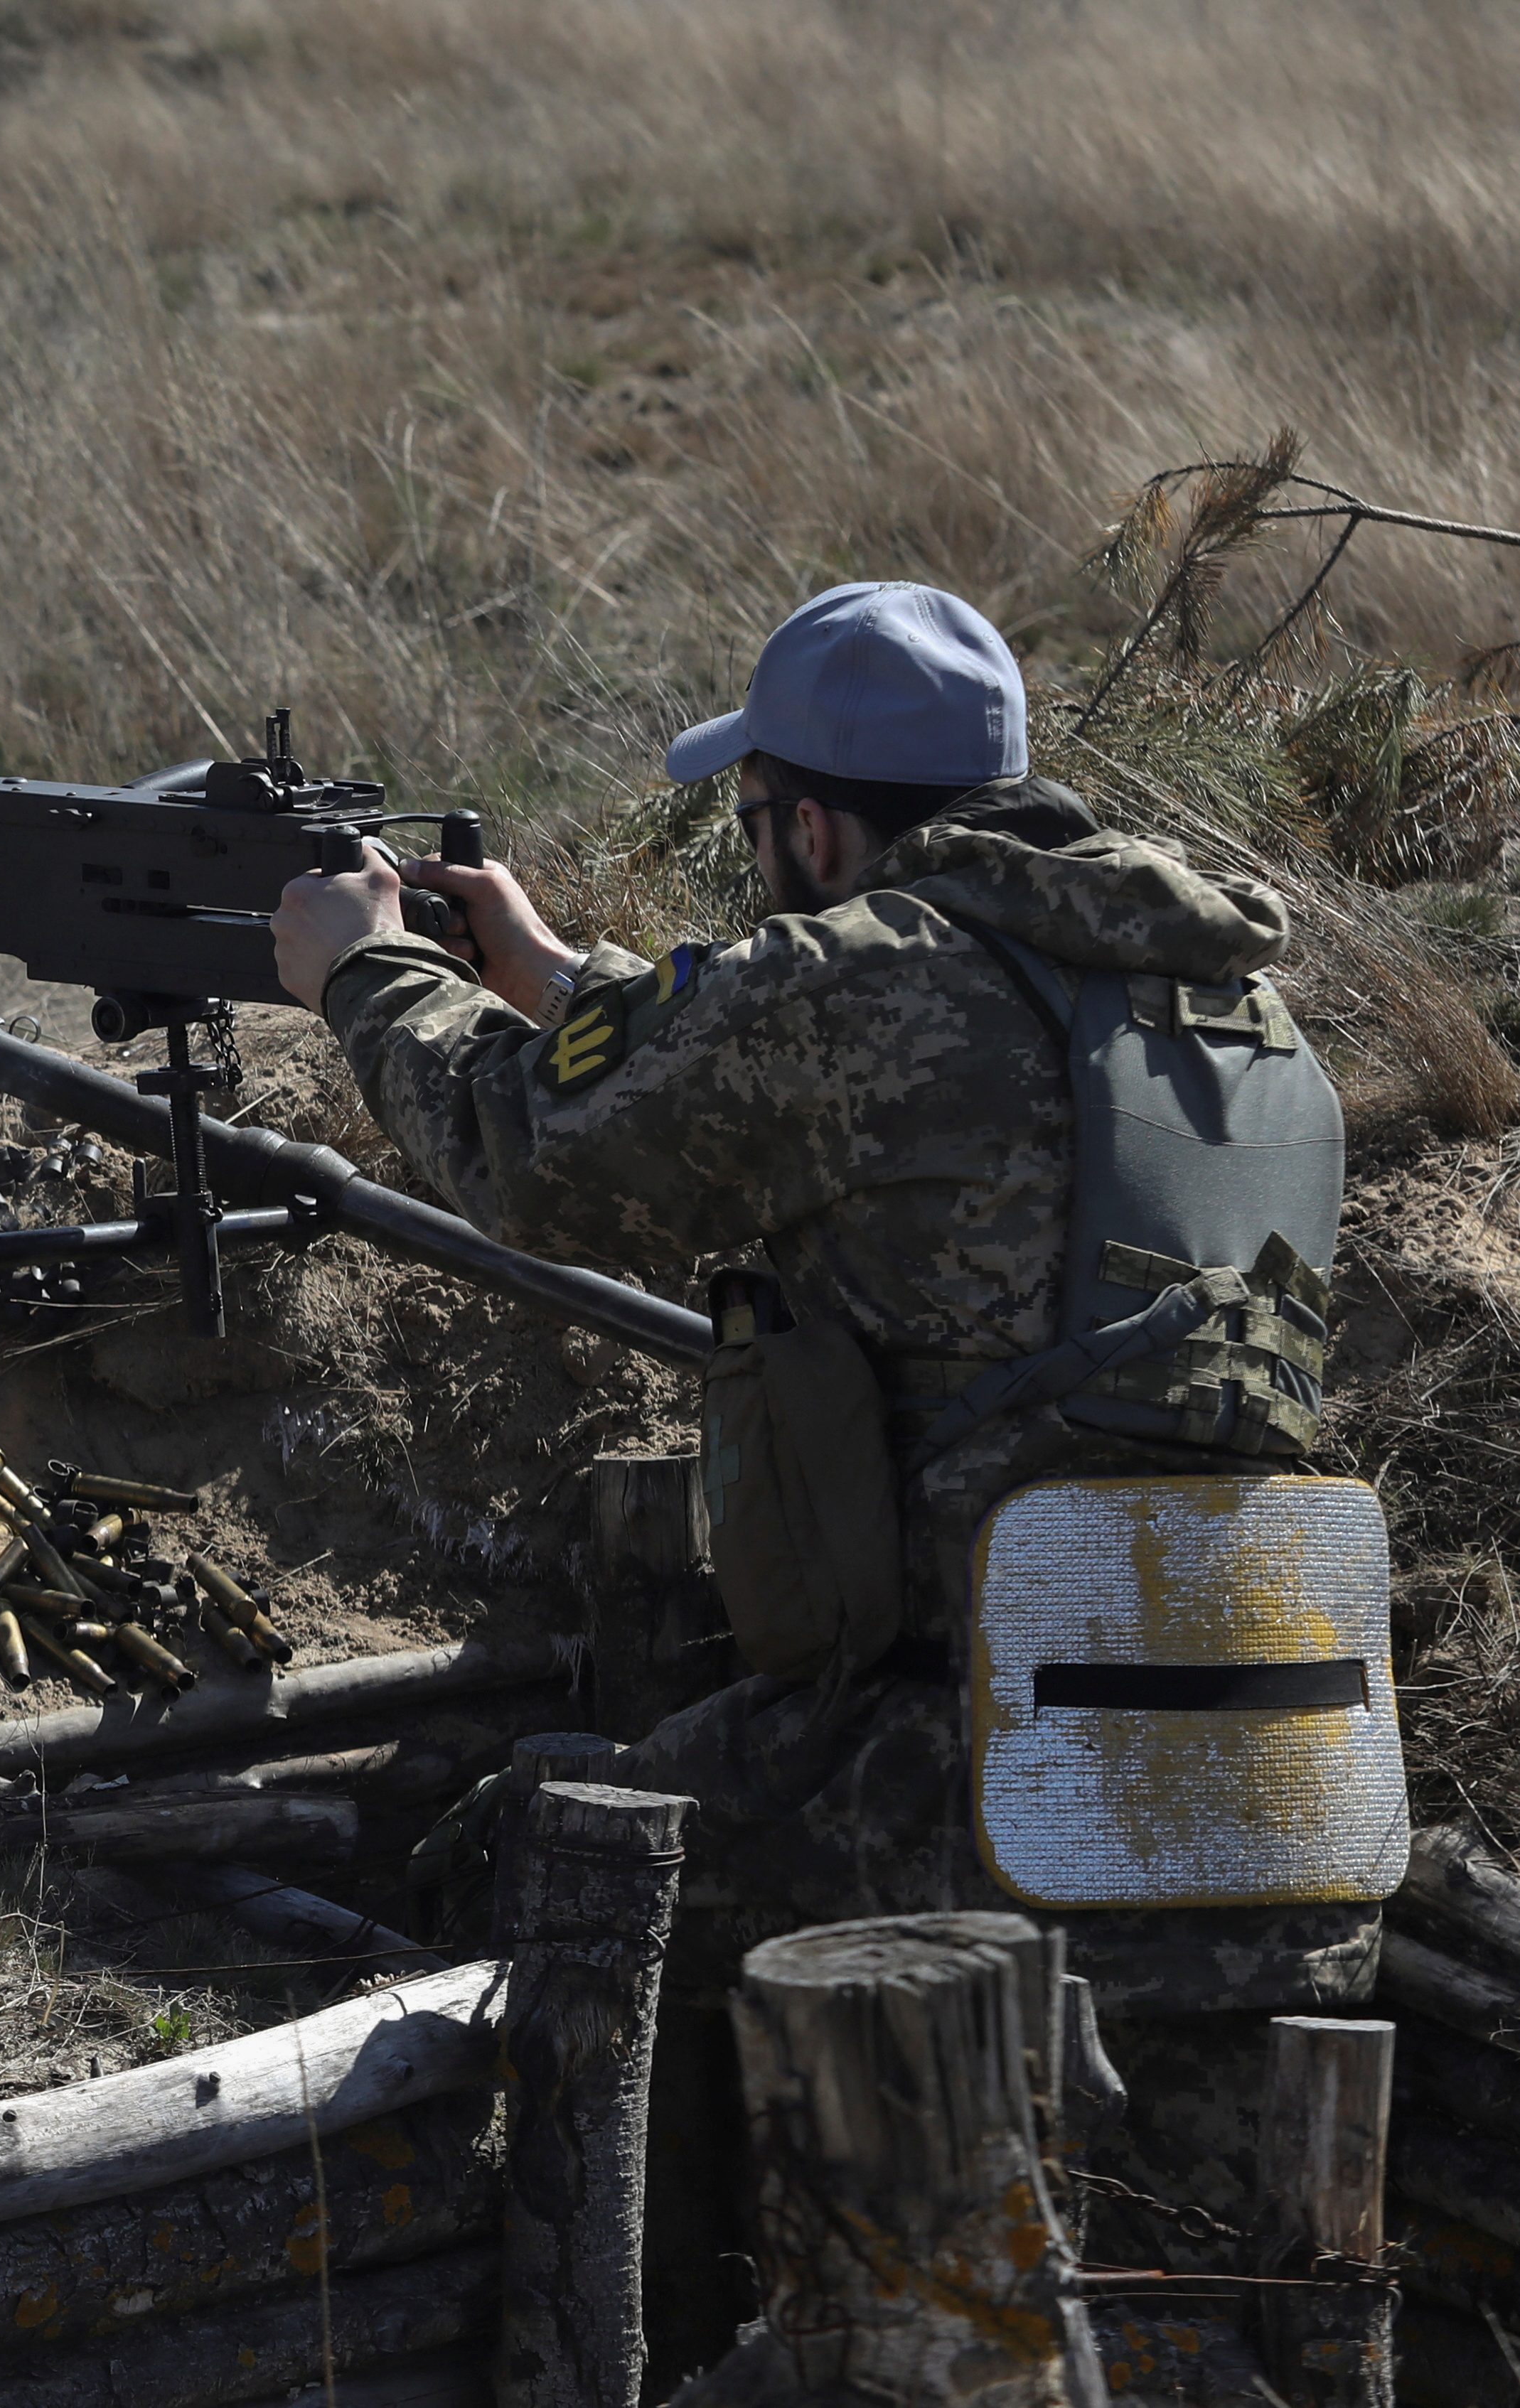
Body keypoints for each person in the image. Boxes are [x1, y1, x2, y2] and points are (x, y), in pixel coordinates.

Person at [269, 584, 1381, 2342]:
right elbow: (875, 1091)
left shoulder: (852, 981)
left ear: (807, 821)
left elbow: (527, 1149)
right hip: (1269, 1799)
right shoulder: (1220, 1007)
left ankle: (690, 2344)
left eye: (755, 822)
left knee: (533, 1847)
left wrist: (365, 970)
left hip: (972, 1784)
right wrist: (556, 979)